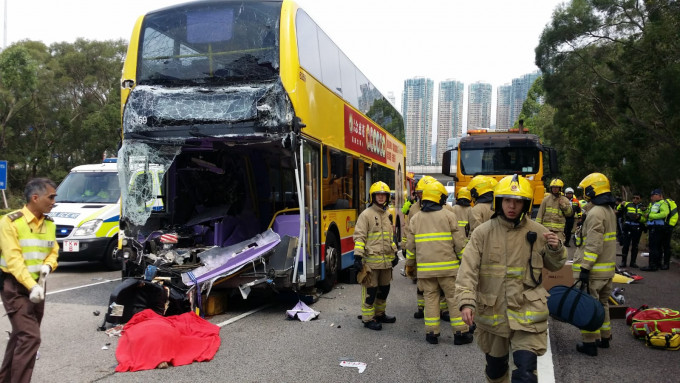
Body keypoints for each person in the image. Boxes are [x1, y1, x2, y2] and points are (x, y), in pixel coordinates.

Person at [456, 174, 566, 382]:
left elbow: (555, 265)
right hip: (493, 316)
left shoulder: (539, 232)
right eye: (507, 200)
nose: (512, 206)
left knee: (525, 374)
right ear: (499, 202)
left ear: (526, 204)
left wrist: (556, 248)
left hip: (528, 315)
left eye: (517, 201)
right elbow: (467, 271)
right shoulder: (482, 233)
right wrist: (466, 302)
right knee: (495, 372)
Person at [0, 178, 59, 383]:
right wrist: (32, 285)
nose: (54, 201)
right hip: (16, 287)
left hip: (38, 286)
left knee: (20, 336)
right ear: (35, 198)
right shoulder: (10, 222)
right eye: (51, 197)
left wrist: (48, 266)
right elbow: (14, 260)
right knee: (31, 337)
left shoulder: (49, 223)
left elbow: (53, 251)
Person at [405, 181, 470, 345]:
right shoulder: (449, 216)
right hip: (448, 269)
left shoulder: (416, 219)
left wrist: (410, 265)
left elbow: (410, 247)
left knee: (430, 300)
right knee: (453, 299)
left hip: (426, 271)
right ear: (439, 198)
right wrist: (463, 260)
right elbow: (459, 242)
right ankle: (460, 334)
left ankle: (432, 333)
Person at [572, 173, 617, 356]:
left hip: (594, 272)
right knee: (603, 303)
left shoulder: (596, 213)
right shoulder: (608, 210)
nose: (584, 194)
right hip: (606, 270)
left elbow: (594, 245)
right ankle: (605, 337)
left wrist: (585, 268)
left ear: (592, 190)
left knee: (588, 306)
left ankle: (589, 343)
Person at [353, 181, 399, 330]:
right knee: (370, 291)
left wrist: (395, 253)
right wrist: (358, 256)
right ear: (372, 197)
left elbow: (389, 237)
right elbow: (360, 236)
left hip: (386, 262)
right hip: (371, 262)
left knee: (384, 289)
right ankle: (367, 319)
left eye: (383, 194)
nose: (381, 197)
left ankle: (380, 314)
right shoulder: (366, 215)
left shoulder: (387, 215)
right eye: (378, 195)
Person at [402, 175, 436, 319]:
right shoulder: (413, 209)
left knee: (438, 283)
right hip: (419, 250)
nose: (422, 195)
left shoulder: (443, 208)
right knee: (421, 282)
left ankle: (441, 309)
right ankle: (421, 308)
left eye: (424, 192)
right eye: (420, 193)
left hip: (436, 251)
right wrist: (405, 247)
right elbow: (408, 229)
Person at [642, 189, 670, 271]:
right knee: (656, 246)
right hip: (653, 226)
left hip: (657, 227)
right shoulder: (654, 204)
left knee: (654, 246)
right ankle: (657, 264)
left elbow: (664, 213)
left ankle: (652, 265)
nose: (651, 197)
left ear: (659, 195)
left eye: (653, 196)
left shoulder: (662, 203)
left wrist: (650, 215)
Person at [619, 193, 646, 268]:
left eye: (637, 198)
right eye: (634, 198)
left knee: (635, 246)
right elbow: (619, 210)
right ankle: (623, 261)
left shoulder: (643, 207)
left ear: (640, 199)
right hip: (628, 226)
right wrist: (621, 205)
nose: (635, 199)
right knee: (626, 245)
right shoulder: (627, 204)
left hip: (637, 227)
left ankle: (633, 262)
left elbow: (645, 218)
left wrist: (639, 218)